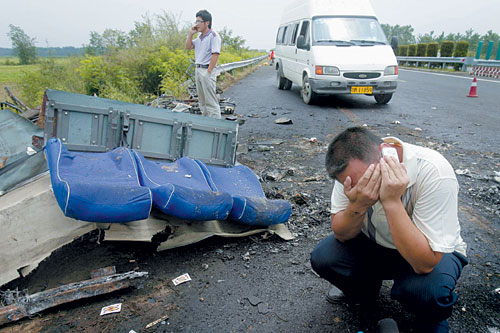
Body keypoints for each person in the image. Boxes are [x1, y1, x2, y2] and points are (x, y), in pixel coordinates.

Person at [310, 127, 468, 333]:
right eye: (356, 184)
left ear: (386, 152)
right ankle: (364, 292)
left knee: (425, 291)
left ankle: (431, 318)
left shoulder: (434, 172)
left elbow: (425, 264)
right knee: (324, 258)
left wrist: (392, 201)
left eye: (368, 179)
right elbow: (341, 233)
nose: (364, 187)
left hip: (431, 252)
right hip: (378, 244)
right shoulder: (352, 173)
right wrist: (358, 205)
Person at [185, 9, 222, 119]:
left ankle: (216, 127)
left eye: (199, 21)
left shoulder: (214, 36)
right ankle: (206, 125)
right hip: (198, 70)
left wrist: (209, 71)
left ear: (207, 23)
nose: (196, 24)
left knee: (211, 101)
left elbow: (215, 54)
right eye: (195, 21)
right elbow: (188, 46)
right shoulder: (199, 37)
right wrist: (191, 34)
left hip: (206, 70)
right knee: (202, 101)